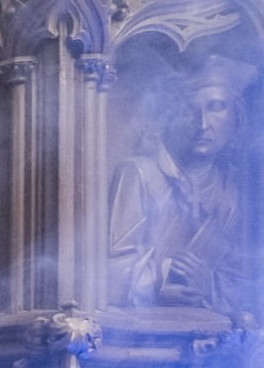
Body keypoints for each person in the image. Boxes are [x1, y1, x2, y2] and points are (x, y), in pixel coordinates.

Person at [108, 54, 256, 312]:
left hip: (212, 338)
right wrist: (161, 277)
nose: (202, 124)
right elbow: (105, 272)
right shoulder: (140, 175)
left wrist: (209, 284)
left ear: (236, 115)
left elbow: (248, 284)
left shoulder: (232, 194)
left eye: (216, 107)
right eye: (190, 109)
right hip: (139, 338)